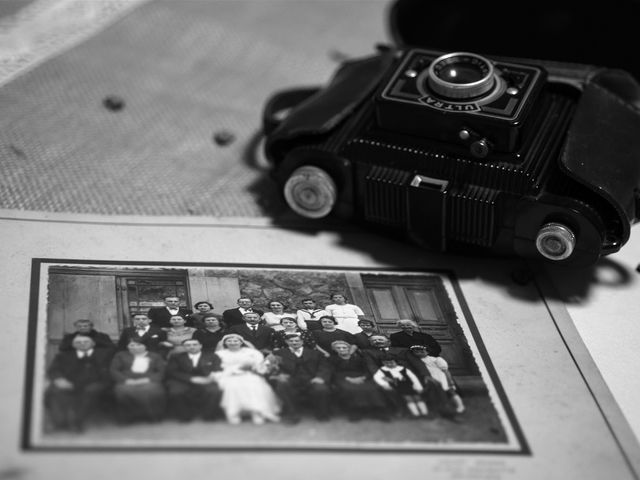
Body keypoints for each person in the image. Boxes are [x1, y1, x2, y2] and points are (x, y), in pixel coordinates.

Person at [46, 335, 112, 431]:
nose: (82, 344)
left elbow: (109, 371)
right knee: (54, 391)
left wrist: (103, 381)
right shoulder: (63, 356)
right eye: (78, 342)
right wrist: (60, 379)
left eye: (86, 342)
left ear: (93, 344)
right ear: (73, 345)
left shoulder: (104, 355)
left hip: (96, 383)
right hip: (69, 383)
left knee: (89, 392)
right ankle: (60, 423)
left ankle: (77, 422)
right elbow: (54, 370)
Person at [213, 334, 281, 425]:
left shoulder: (251, 352)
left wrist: (254, 369)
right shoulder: (219, 354)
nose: (233, 343)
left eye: (236, 341)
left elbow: (258, 365)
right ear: (225, 343)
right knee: (233, 387)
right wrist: (233, 370)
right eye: (229, 341)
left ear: (241, 342)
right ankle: (234, 413)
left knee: (255, 385)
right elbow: (217, 368)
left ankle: (257, 412)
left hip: (249, 374)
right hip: (228, 375)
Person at [269, 334, 332, 423]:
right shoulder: (279, 353)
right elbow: (271, 367)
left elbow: (324, 367)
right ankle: (292, 414)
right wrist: (279, 374)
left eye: (297, 341)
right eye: (291, 341)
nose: (294, 343)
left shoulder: (314, 353)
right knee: (282, 384)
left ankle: (322, 413)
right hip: (291, 379)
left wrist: (320, 377)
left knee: (321, 388)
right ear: (287, 342)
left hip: (311, 378)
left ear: (302, 342)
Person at [328, 340, 389, 422]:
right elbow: (332, 372)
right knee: (351, 389)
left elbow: (367, 370)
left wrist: (363, 378)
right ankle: (356, 412)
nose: (341, 349)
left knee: (372, 388)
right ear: (335, 350)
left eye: (344, 347)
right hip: (343, 379)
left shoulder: (358, 358)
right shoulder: (331, 359)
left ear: (349, 348)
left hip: (361, 377)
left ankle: (379, 412)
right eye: (338, 348)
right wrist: (349, 379)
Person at [164, 338, 222, 422]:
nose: (192, 347)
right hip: (183, 380)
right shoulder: (176, 357)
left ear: (200, 346)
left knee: (214, 391)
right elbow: (172, 372)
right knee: (176, 392)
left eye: (194, 344)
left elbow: (217, 369)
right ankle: (185, 416)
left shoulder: (212, 356)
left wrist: (210, 378)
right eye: (188, 345)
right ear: (184, 347)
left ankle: (209, 416)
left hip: (206, 379)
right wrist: (191, 379)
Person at [109, 340, 166, 423]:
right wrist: (126, 380)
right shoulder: (120, 355)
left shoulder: (155, 356)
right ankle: (128, 418)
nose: (134, 347)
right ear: (127, 346)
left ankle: (152, 416)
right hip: (127, 381)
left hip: (149, 380)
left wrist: (148, 380)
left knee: (151, 391)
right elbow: (114, 370)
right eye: (132, 345)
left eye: (138, 345)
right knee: (122, 391)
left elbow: (161, 371)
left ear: (145, 346)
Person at [409, 345, 465, 414]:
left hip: (441, 378)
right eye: (417, 352)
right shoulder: (417, 362)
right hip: (430, 378)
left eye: (422, 351)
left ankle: (460, 406)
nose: (420, 353)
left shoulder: (435, 359)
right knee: (436, 393)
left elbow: (446, 371)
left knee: (450, 391)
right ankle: (441, 408)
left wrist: (449, 380)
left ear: (427, 352)